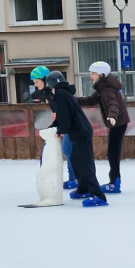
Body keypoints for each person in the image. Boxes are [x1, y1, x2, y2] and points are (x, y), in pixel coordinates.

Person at [46, 71, 107, 208]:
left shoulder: (61, 95)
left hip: (81, 132)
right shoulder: (65, 93)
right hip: (81, 131)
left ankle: (98, 195)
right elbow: (64, 114)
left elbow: (65, 117)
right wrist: (56, 126)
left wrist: (60, 130)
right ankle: (83, 188)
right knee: (75, 160)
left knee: (85, 164)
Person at [78, 62, 130, 194]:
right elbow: (90, 101)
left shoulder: (107, 90)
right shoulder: (103, 87)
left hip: (117, 123)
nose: (91, 76)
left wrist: (112, 116)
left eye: (93, 74)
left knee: (113, 154)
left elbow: (113, 104)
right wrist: (73, 100)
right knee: (112, 153)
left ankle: (115, 183)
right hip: (117, 123)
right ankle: (115, 181)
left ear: (101, 75)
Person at [30, 66, 77, 190]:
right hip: (64, 122)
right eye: (34, 83)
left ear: (45, 80)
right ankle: (74, 177)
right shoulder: (48, 93)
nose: (35, 85)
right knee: (67, 149)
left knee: (67, 149)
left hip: (70, 123)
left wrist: (59, 124)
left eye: (37, 82)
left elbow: (63, 109)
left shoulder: (55, 92)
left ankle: (75, 178)